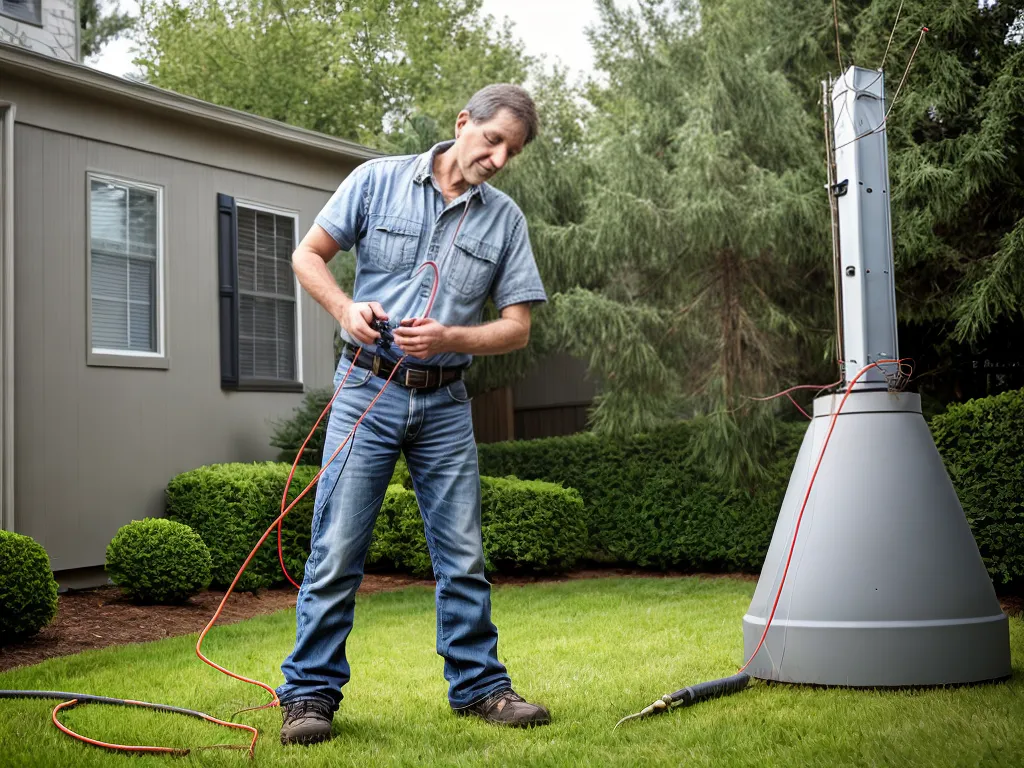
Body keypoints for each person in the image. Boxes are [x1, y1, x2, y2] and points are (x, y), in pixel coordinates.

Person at [275, 83, 551, 746]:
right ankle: (309, 695)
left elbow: (516, 329)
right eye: (493, 140)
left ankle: (481, 689)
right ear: (463, 123)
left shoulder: (504, 220)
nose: (499, 158)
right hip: (366, 390)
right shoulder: (376, 181)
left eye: (512, 151)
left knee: (461, 553)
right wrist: (346, 311)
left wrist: (452, 337)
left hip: (447, 403)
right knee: (338, 547)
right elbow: (306, 254)